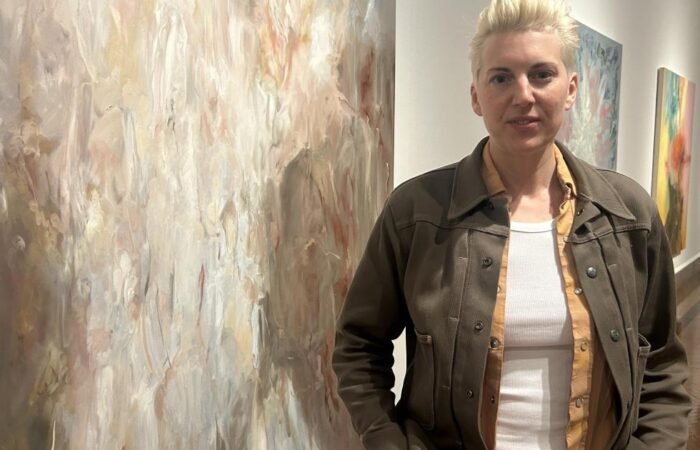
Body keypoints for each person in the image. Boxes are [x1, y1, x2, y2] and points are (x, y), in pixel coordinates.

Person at [332, 0, 691, 449]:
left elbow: (661, 362)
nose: (523, 95)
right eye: (501, 77)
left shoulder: (627, 215)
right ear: (476, 96)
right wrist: (387, 440)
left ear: (571, 89)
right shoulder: (417, 213)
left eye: (542, 74)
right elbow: (358, 346)